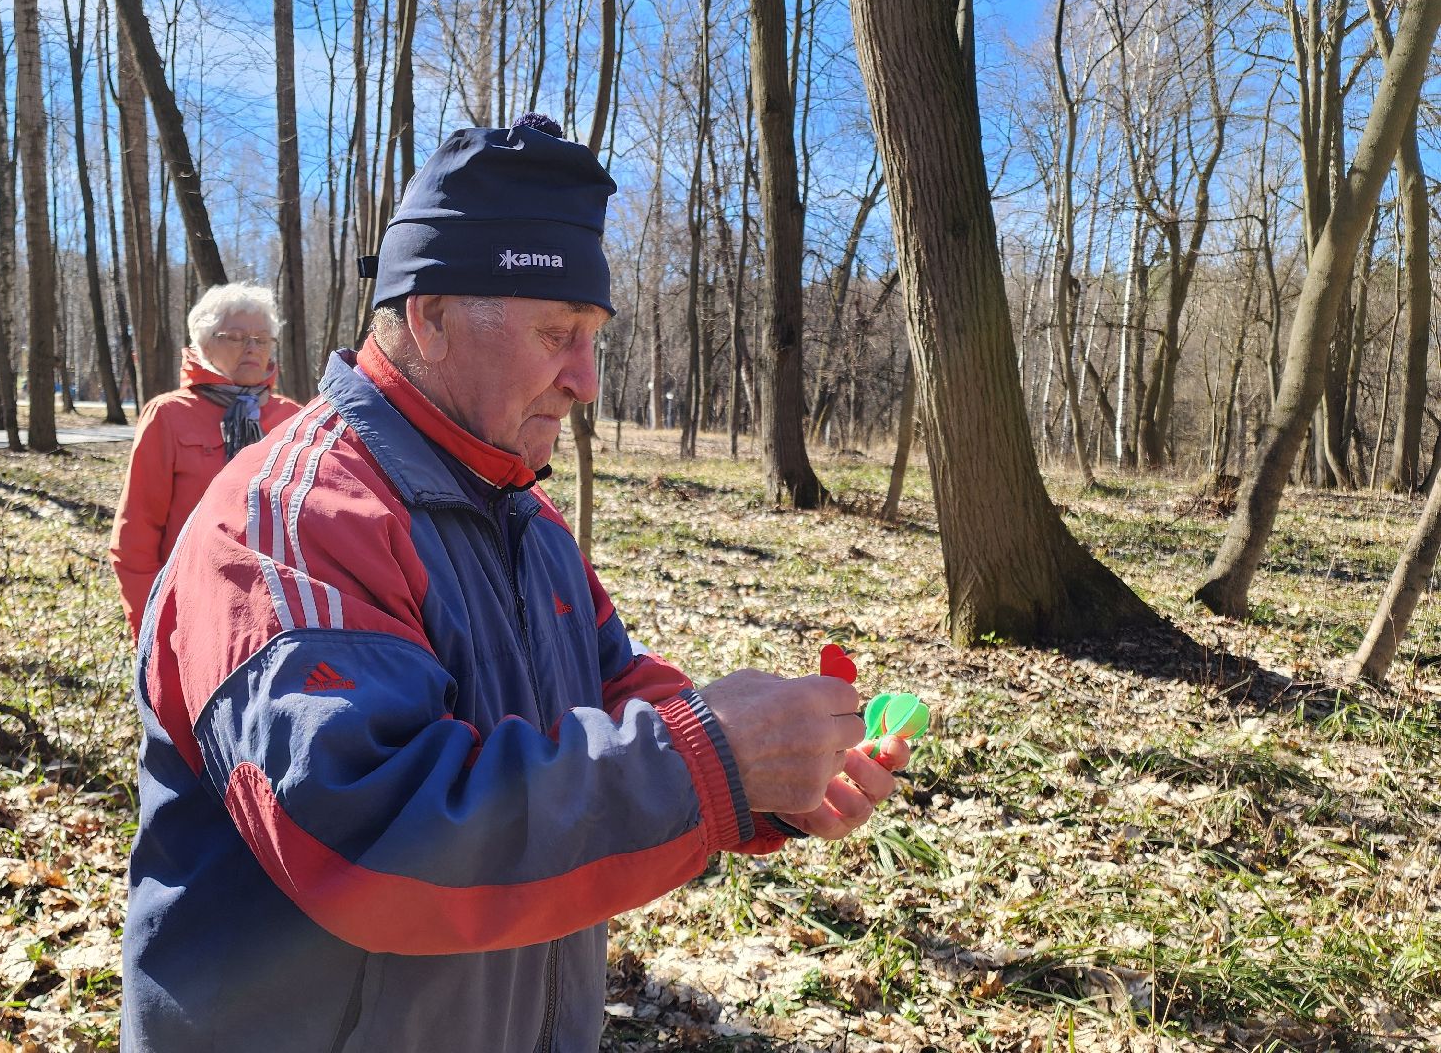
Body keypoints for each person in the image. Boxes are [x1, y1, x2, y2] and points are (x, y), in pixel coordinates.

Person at [119, 115, 912, 1051]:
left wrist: (770, 777)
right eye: (558, 334)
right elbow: (370, 836)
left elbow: (615, 691)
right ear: (430, 317)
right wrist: (707, 762)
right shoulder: (290, 520)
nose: (586, 381)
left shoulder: (522, 511)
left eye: (594, 338)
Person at [108, 283, 301, 635]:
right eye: (237, 337)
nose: (252, 347)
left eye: (262, 339)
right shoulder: (168, 415)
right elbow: (135, 537)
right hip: (191, 612)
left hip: (277, 617)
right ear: (205, 344)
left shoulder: (293, 418)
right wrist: (152, 633)